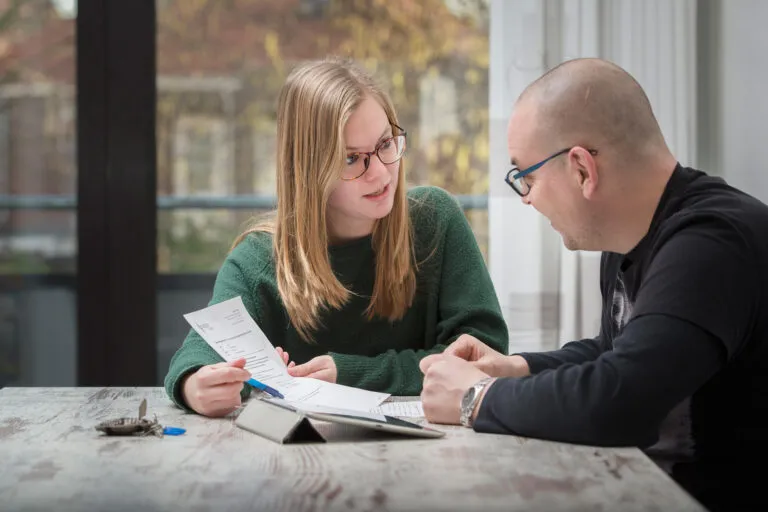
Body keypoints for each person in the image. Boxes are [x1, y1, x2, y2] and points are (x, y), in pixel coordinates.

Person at [419, 57, 768, 511]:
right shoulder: (631, 236)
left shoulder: (712, 244)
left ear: (582, 169)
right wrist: (514, 367)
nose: (526, 199)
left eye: (526, 178)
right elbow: (617, 351)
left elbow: (619, 402)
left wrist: (475, 398)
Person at [164, 57, 508, 419]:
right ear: (309, 169)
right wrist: (195, 386)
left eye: (385, 144)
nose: (380, 173)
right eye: (350, 159)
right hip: (298, 461)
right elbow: (195, 359)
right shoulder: (259, 259)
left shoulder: (435, 218)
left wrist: (352, 375)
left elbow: (484, 353)